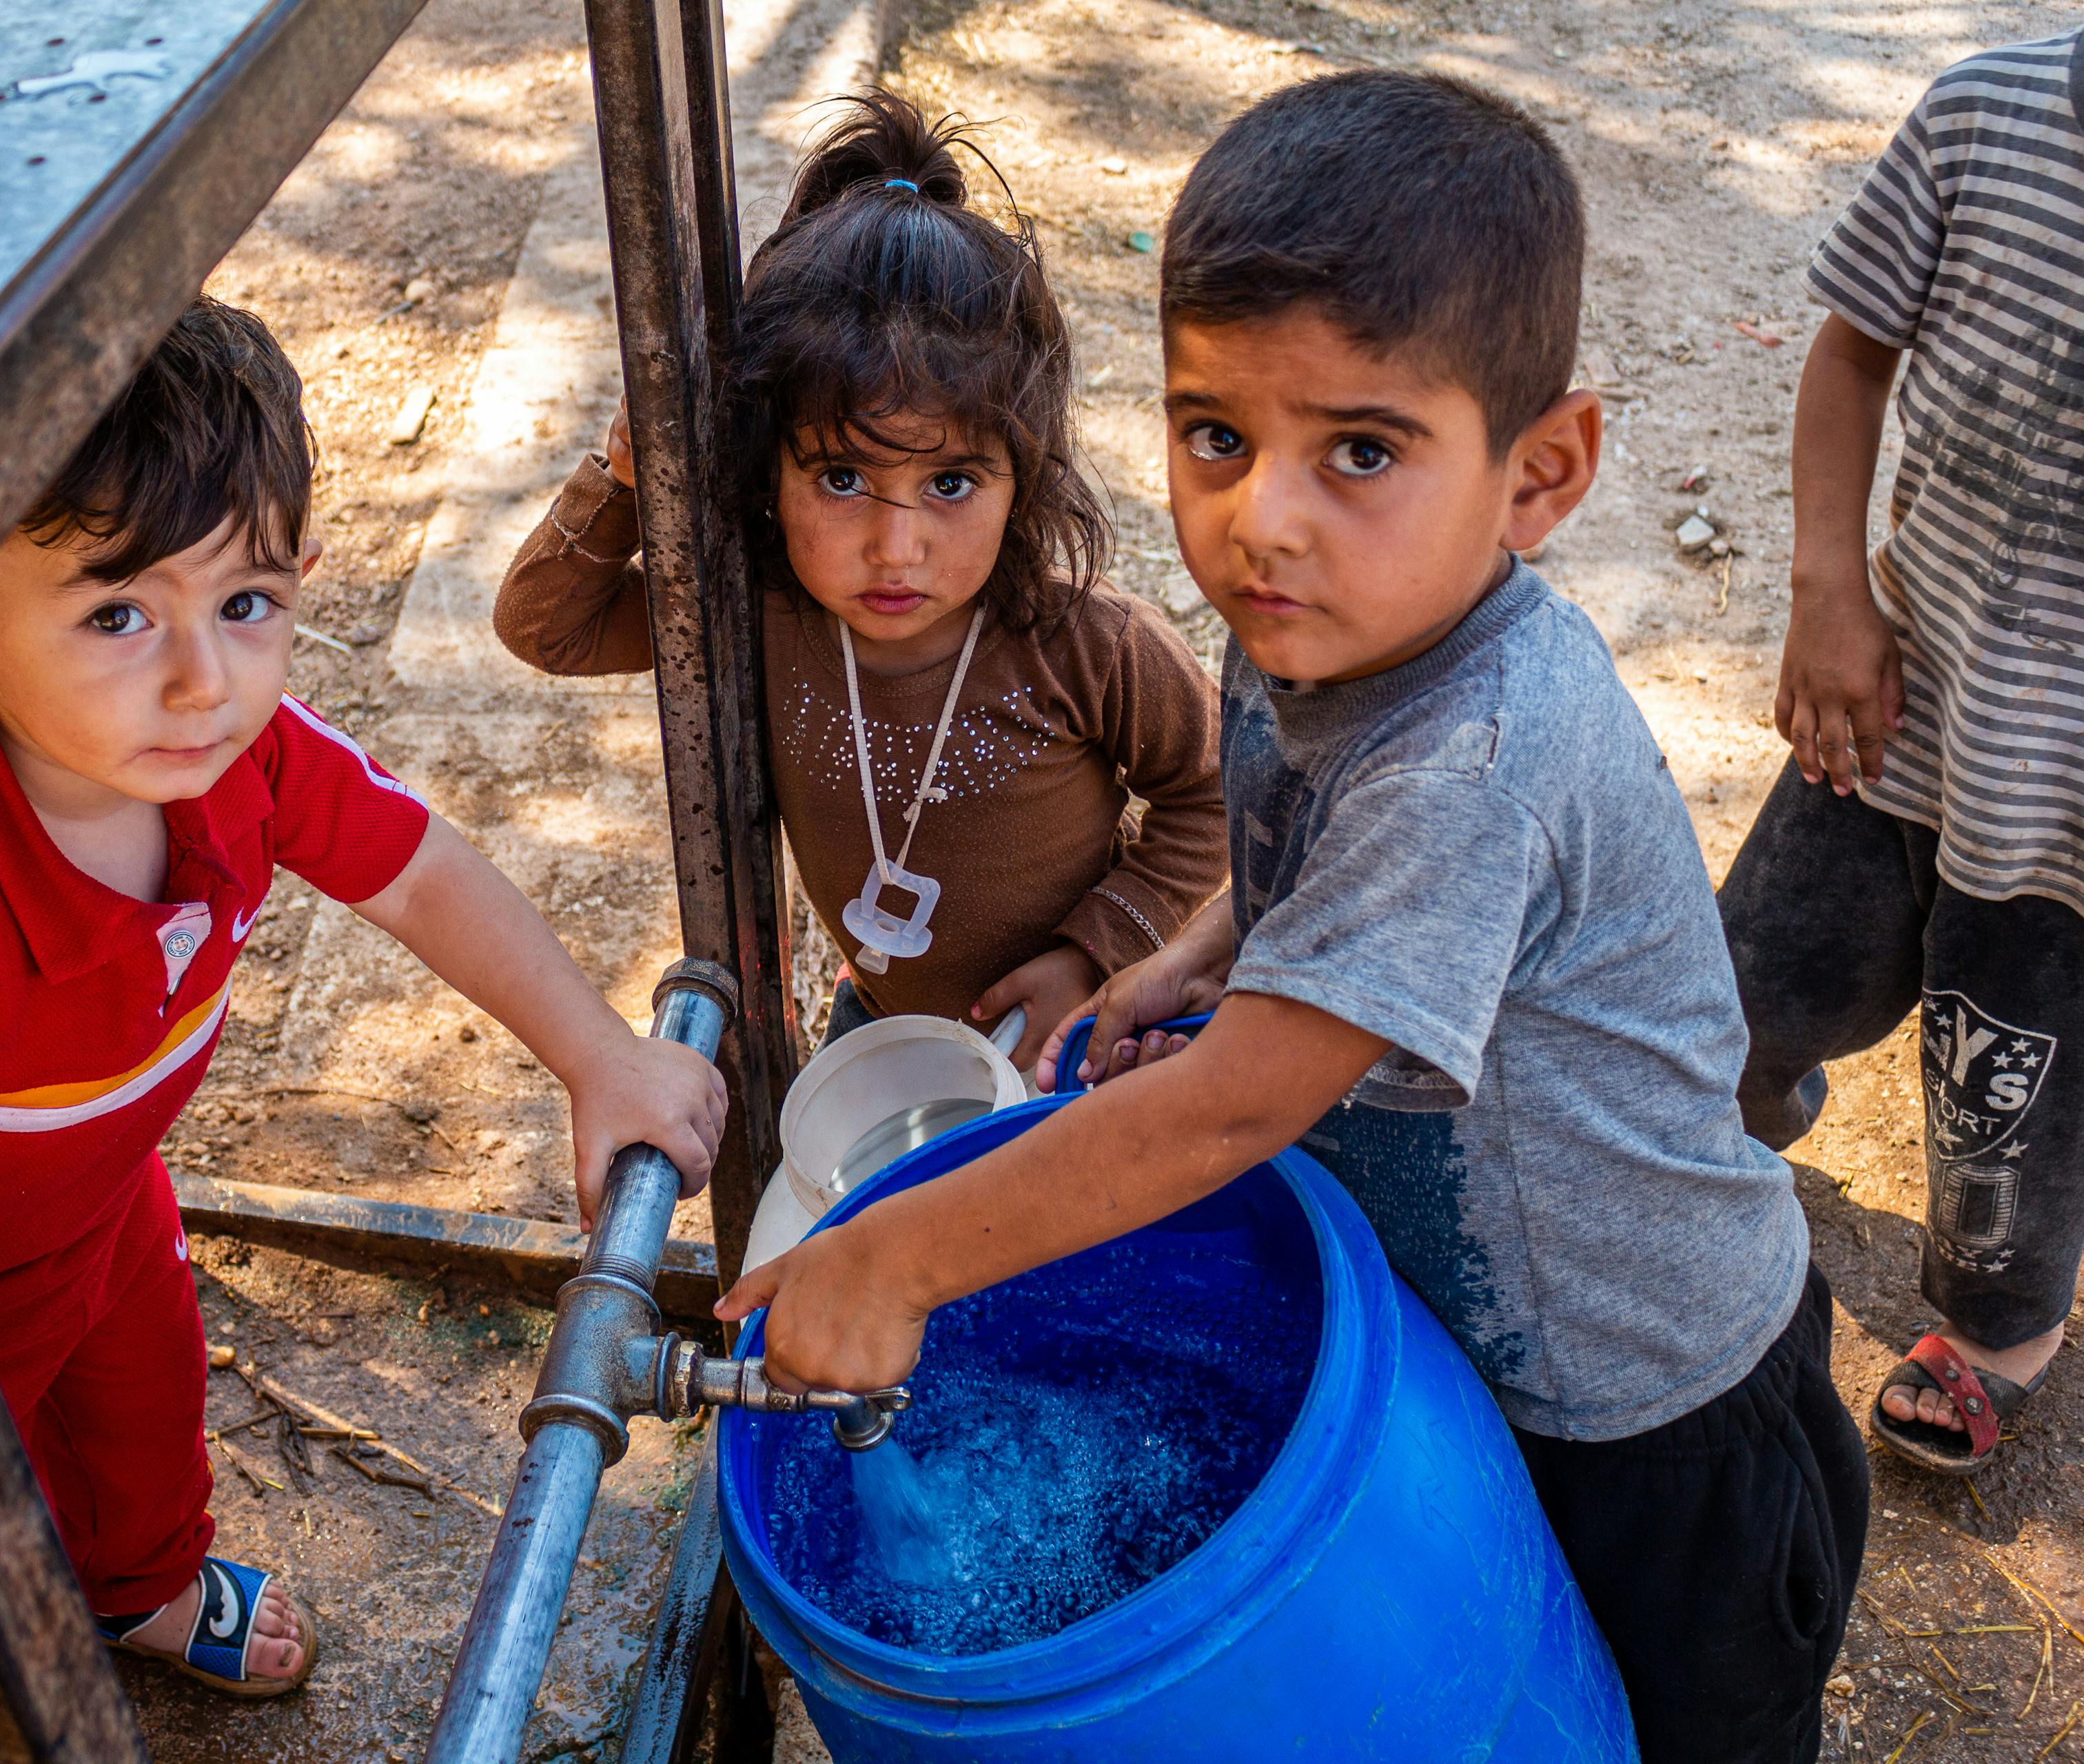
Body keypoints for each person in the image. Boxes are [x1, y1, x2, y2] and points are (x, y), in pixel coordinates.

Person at [720, 72, 1868, 1763]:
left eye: (1362, 449)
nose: (1263, 516)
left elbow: (1243, 1100)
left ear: (1541, 471)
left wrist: (890, 1256)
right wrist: (1191, 947)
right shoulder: (1330, 615)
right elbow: (1284, 856)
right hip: (1476, 1345)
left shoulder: (1473, 760)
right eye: (1217, 436)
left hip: (1656, 1411)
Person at [0, 296, 726, 1701]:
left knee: (147, 1412)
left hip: (106, 1198)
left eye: (247, 603)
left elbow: (413, 868)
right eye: (117, 612)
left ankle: (148, 1587)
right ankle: (8, 1702)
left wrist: (599, 1056)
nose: (200, 677)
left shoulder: (251, 756)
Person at [493, 91, 1227, 1069]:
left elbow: (1220, 794)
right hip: (880, 1029)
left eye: (952, 482)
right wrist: (632, 476)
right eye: (842, 478)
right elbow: (547, 627)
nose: (895, 546)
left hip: (1073, 1035)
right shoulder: (766, 612)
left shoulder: (1083, 642)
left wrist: (1093, 949)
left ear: (1026, 475)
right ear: (769, 471)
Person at [1719, 25, 2084, 1477]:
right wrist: (1829, 589)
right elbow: (1854, 351)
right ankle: (1735, 1123)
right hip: (1900, 699)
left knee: (2010, 1091)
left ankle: (2000, 1327)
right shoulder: (1985, 115)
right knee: (1744, 980)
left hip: (2063, 812)